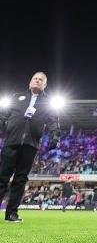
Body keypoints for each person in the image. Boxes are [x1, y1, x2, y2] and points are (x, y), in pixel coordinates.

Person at [0, 71, 60, 222]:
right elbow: (3, 115)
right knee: (2, 177)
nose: (37, 81)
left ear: (45, 85)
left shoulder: (47, 103)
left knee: (20, 180)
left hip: (30, 145)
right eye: (35, 79)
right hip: (11, 142)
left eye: (41, 80)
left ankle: (11, 214)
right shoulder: (16, 97)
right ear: (30, 82)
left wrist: (55, 137)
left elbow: (53, 122)